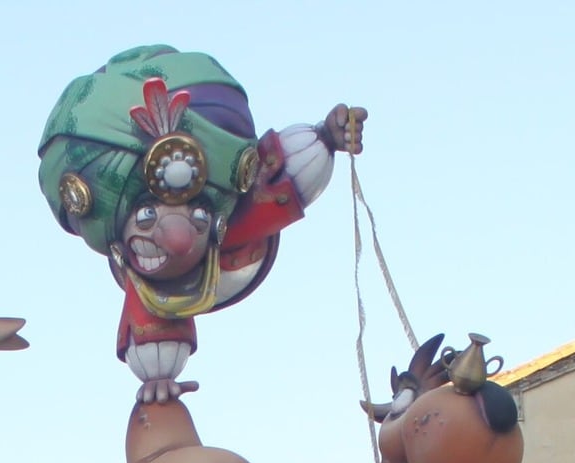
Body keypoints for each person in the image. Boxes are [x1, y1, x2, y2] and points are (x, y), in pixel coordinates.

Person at [38, 47, 364, 401]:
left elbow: (279, 172)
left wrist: (326, 138)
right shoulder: (150, 285)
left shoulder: (240, 218)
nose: (178, 239)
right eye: (147, 215)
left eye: (197, 215)